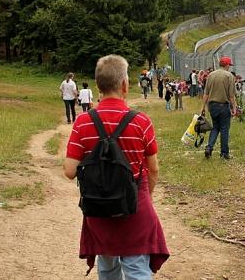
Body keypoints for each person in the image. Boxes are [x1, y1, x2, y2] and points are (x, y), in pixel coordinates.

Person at [63, 55, 169, 278]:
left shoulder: (83, 122)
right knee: (137, 269)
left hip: (99, 211)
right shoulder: (141, 121)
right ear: (124, 85)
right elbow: (154, 169)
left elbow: (70, 171)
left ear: (98, 86)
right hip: (134, 209)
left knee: (108, 267)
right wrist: (144, 196)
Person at [200, 56, 237, 160]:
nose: (229, 67)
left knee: (215, 127)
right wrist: (234, 107)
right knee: (224, 129)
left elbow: (206, 93)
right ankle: (224, 153)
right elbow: (231, 95)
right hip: (223, 105)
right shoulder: (229, 76)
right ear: (227, 65)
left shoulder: (211, 75)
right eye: (229, 65)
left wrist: (203, 107)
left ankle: (209, 148)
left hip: (212, 106)